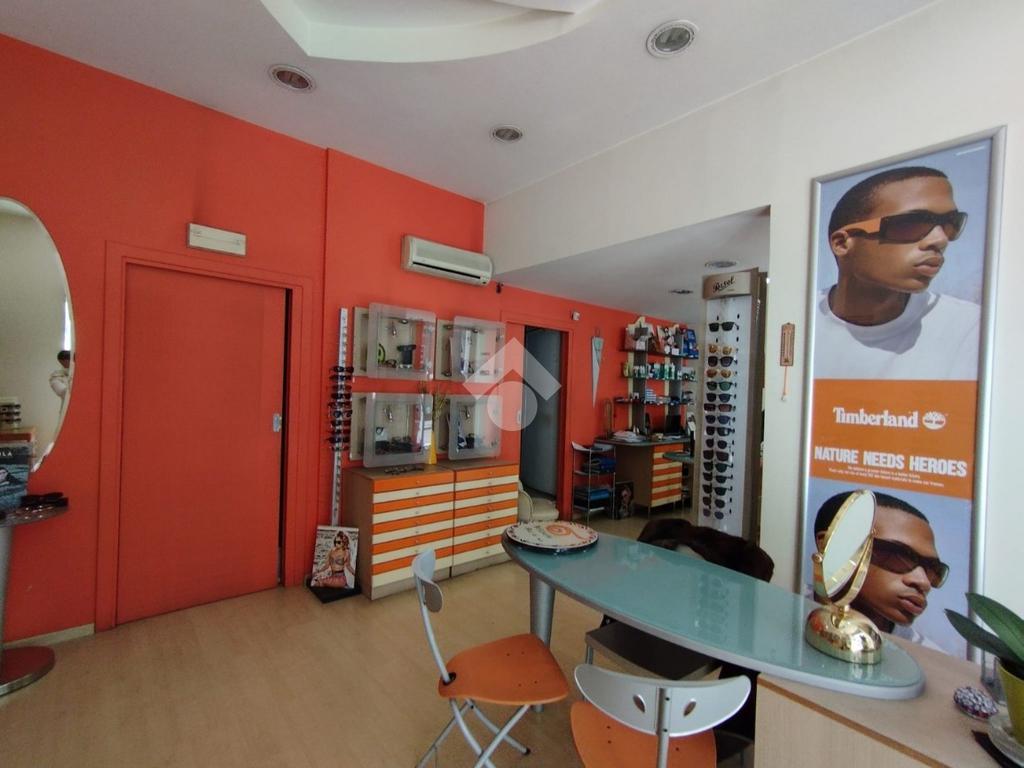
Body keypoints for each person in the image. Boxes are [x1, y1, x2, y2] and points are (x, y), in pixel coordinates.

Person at [815, 166, 980, 380]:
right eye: (911, 224)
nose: (940, 240)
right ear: (842, 243)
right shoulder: (795, 321)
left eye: (951, 224)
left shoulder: (971, 328)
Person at [813, 490, 948, 649]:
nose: (924, 583)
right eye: (898, 556)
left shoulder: (929, 656)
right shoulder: (788, 612)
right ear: (830, 545)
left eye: (933, 569)